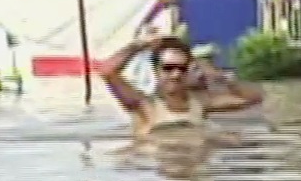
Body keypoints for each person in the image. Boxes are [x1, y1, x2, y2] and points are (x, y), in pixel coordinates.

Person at [101, 32, 263, 138]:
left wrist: (221, 77)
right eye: (168, 68)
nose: (176, 74)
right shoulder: (144, 105)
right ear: (157, 71)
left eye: (181, 68)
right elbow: (107, 72)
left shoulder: (201, 103)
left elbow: (252, 99)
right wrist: (138, 45)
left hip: (193, 167)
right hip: (158, 171)